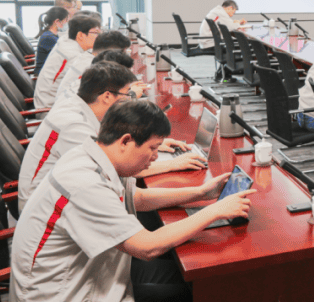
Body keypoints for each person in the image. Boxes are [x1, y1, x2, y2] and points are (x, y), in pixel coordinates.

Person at [8, 100, 253, 302]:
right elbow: (147, 246)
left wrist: (201, 193)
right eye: (152, 148)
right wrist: (215, 211)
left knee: (191, 286)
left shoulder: (89, 156)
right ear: (125, 141)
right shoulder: (83, 183)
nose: (155, 157)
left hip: (78, 282)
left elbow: (137, 197)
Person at [18, 62, 204, 209]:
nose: (130, 99)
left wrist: (148, 142)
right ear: (107, 96)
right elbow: (116, 167)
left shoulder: (80, 108)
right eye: (127, 94)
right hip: (49, 204)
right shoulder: (74, 126)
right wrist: (173, 164)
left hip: (60, 198)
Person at [34, 12, 101, 109]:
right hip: (50, 108)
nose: (99, 36)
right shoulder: (73, 56)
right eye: (96, 33)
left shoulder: (66, 41)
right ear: (80, 35)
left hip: (50, 101)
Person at [53, 29, 130, 101]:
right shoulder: (92, 66)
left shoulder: (87, 56)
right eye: (123, 53)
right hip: (70, 106)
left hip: (66, 103)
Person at [35, 5, 70, 76]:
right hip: (45, 75)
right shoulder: (49, 38)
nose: (67, 23)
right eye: (66, 20)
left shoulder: (51, 34)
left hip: (50, 71)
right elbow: (66, 55)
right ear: (57, 21)